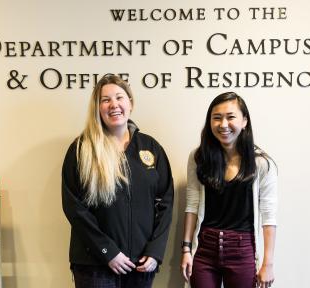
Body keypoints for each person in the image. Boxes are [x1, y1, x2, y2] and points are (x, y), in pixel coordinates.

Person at [62, 74, 174, 288]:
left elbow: (166, 204)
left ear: (130, 103)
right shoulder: (81, 149)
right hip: (95, 265)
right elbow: (74, 207)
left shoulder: (151, 148)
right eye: (105, 100)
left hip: (140, 265)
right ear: (97, 107)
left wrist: (155, 252)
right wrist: (107, 251)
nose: (114, 104)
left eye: (119, 97)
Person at [180, 92, 278, 288]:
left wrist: (268, 263)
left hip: (243, 250)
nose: (223, 124)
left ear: (244, 122)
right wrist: (186, 250)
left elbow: (269, 217)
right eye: (217, 118)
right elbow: (192, 203)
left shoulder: (261, 163)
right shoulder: (199, 158)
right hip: (205, 248)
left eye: (230, 117)